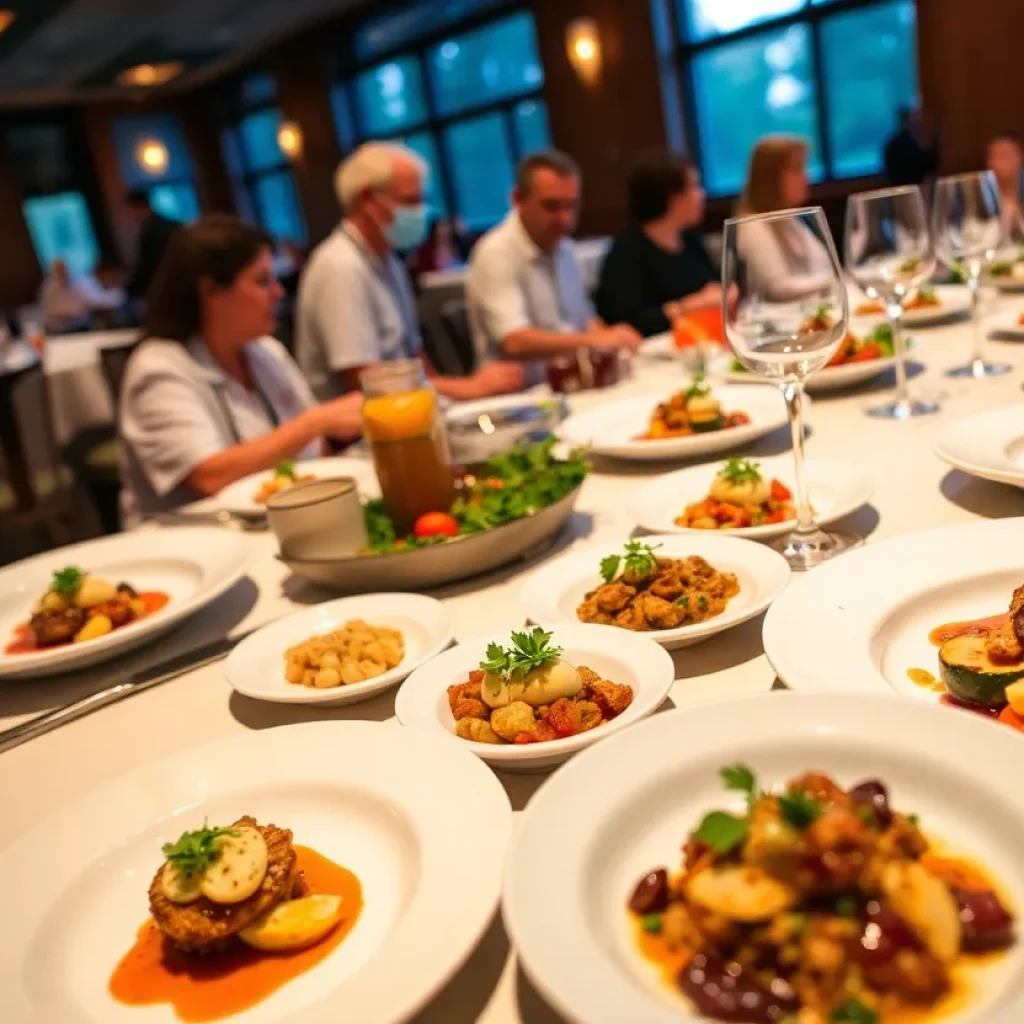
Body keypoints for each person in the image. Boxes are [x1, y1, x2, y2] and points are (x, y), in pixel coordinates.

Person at [120, 215, 364, 524]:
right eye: (262, 281)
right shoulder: (158, 367)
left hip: (279, 524)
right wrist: (316, 422)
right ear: (210, 291)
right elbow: (210, 476)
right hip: (188, 543)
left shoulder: (265, 351)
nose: (278, 292)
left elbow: (317, 451)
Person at [295, 141, 523, 401]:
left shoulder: (389, 260)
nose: (420, 212)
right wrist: (469, 388)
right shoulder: (340, 266)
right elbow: (365, 380)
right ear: (368, 200)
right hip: (356, 431)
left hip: (405, 409)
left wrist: (454, 397)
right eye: (409, 201)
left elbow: (414, 359)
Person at [466, 150, 642, 384]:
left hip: (571, 382)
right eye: (552, 206)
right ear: (517, 199)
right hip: (521, 395)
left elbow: (585, 322)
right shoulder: (496, 252)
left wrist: (612, 337)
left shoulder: (565, 249)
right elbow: (515, 341)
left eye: (572, 206)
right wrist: (599, 340)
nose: (565, 219)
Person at [595, 149, 727, 336]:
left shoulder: (691, 242)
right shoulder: (626, 251)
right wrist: (690, 305)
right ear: (671, 198)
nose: (701, 194)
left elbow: (714, 288)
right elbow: (625, 321)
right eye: (694, 186)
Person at [734, 136, 835, 301]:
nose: (806, 176)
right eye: (797, 169)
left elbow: (826, 268)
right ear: (769, 178)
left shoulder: (792, 217)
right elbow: (779, 288)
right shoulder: (753, 224)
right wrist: (836, 280)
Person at [124, 189, 180, 302]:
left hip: (165, 288)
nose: (131, 216)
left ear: (138, 207)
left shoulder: (149, 231)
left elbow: (146, 265)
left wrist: (130, 289)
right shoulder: (172, 224)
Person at [883, 106, 939, 188]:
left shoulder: (890, 144)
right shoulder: (909, 141)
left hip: (899, 189)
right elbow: (927, 163)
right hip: (914, 188)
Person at [987, 132, 1024, 240]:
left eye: (1006, 155)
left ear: (1020, 156)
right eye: (995, 156)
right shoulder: (978, 193)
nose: (1001, 162)